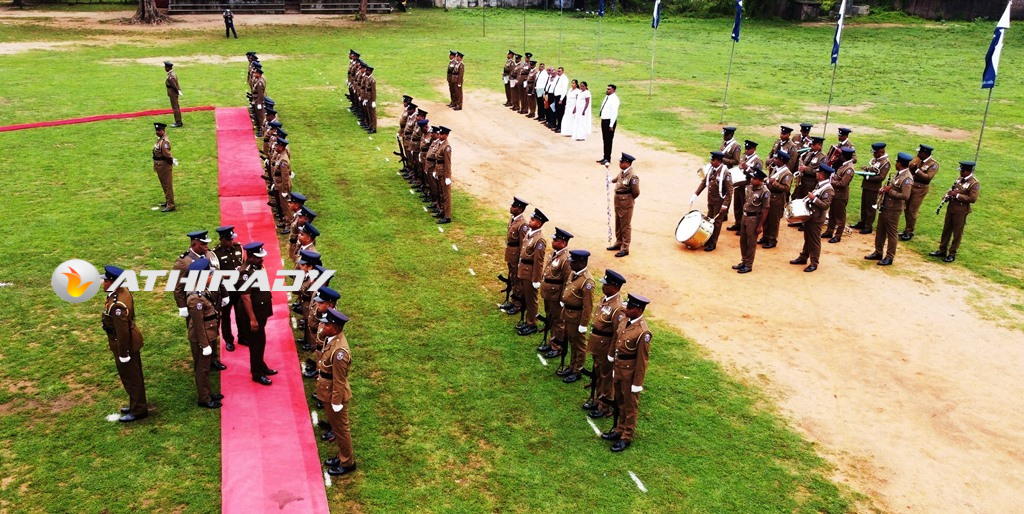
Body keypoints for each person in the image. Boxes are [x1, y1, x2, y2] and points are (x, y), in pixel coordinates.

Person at [600, 293, 652, 452]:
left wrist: (637, 383)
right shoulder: (624, 320)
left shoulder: (643, 332)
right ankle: (620, 429)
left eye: (630, 307)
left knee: (630, 406)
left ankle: (626, 436)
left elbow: (642, 360)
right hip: (618, 368)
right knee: (619, 401)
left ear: (639, 310)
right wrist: (611, 355)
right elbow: (616, 340)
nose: (626, 308)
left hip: (630, 374)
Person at [101, 265, 148, 422]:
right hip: (130, 339)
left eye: (106, 281)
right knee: (134, 376)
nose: (103, 283)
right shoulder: (123, 292)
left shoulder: (117, 305)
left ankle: (138, 410)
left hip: (125, 344)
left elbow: (122, 332)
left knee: (131, 378)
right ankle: (137, 403)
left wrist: (123, 353)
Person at [317, 308, 357, 477]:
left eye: (326, 324)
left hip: (334, 393)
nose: (323, 326)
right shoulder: (332, 339)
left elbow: (339, 380)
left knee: (341, 430)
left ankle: (347, 462)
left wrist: (336, 402)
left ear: (335, 328)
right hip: (328, 390)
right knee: (337, 427)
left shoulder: (340, 352)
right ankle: (342, 455)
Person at [584, 269, 627, 419]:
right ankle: (598, 399)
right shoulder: (606, 298)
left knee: (606, 376)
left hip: (606, 345)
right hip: (597, 343)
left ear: (614, 287)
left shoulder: (618, 307)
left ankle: (605, 405)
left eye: (606, 284)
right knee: (598, 372)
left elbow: (617, 333)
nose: (603, 286)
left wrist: (611, 353)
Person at [185, 258, 225, 409]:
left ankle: (207, 392)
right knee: (202, 369)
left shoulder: (201, 288)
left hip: (208, 333)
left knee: (206, 367)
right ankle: (204, 398)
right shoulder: (195, 298)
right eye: (209, 274)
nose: (212, 276)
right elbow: (198, 323)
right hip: (202, 337)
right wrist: (204, 344)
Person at [237, 242, 277, 385]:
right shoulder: (246, 273)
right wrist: (252, 320)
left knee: (260, 342)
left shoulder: (256, 267)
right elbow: (245, 297)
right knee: (256, 345)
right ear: (250, 257)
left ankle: (261, 365)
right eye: (258, 257)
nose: (262, 259)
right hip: (252, 314)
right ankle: (257, 373)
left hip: (260, 311)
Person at [865, 152, 913, 266]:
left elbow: (905, 196)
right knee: (880, 230)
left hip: (894, 209)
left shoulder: (907, 178)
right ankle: (878, 252)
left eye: (897, 162)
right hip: (885, 206)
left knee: (891, 233)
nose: (895, 163)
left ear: (900, 164)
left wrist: (889, 191)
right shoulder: (899, 174)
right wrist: (884, 189)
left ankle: (889, 257)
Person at [929, 161, 980, 263]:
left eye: (962, 171)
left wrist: (957, 195)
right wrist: (947, 196)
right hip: (951, 208)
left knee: (957, 233)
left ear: (968, 171)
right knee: (946, 230)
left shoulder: (974, 183)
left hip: (961, 211)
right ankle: (942, 249)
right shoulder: (959, 179)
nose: (960, 173)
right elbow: (952, 189)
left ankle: (952, 253)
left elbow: (972, 199)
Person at [790, 164, 835, 272]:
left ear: (822, 175)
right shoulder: (820, 185)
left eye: (818, 172)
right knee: (808, 238)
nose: (816, 174)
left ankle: (814, 263)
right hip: (811, 216)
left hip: (817, 218)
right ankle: (803, 257)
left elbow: (825, 205)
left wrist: (814, 198)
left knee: (814, 241)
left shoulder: (828, 189)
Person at [559, 250, 595, 383]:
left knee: (579, 345)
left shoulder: (587, 281)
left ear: (582, 262)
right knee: (572, 342)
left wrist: (583, 324)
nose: (570, 263)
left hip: (577, 317)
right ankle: (572, 366)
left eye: (573, 262)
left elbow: (588, 306)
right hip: (568, 314)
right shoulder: (574, 273)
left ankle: (577, 370)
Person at [539, 228, 573, 358]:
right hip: (548, 293)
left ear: (563, 243)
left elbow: (567, 281)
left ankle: (557, 346)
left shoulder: (566, 259)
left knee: (558, 321)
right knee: (550, 317)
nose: (553, 242)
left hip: (556, 295)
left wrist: (563, 298)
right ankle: (552, 341)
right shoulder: (554, 253)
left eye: (556, 240)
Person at [691, 151, 733, 252]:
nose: (711, 161)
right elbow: (704, 182)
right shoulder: (712, 169)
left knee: (717, 223)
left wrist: (725, 205)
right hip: (711, 200)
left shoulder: (725, 173)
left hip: (719, 202)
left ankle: (713, 243)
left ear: (719, 161)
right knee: (709, 220)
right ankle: (708, 239)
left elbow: (730, 191)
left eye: (713, 160)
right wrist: (695, 194)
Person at [516, 209, 548, 336]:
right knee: (526, 297)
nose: (530, 220)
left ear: (539, 223)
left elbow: (538, 262)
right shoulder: (530, 233)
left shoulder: (539, 240)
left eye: (533, 220)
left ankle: (532, 324)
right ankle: (528, 320)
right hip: (524, 270)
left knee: (531, 299)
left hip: (530, 273)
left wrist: (536, 279)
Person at [213, 225, 244, 352]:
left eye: (232, 239)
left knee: (241, 314)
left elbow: (243, 264)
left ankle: (242, 336)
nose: (232, 241)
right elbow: (215, 274)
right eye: (229, 239)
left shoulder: (238, 248)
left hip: (239, 288)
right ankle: (228, 340)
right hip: (226, 290)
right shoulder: (215, 254)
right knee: (225, 317)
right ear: (222, 239)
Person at [900, 144, 940, 241]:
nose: (917, 153)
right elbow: (909, 167)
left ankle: (909, 231)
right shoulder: (918, 159)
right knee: (906, 208)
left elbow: (928, 178)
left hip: (920, 189)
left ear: (925, 153)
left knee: (912, 210)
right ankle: (906, 229)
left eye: (920, 152)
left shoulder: (933, 164)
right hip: (911, 186)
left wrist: (917, 170)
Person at [734, 167, 770, 274]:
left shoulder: (764, 192)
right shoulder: (749, 187)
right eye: (752, 178)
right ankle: (744, 261)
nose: (752, 180)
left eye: (754, 178)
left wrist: (760, 225)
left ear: (760, 180)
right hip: (745, 217)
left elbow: (765, 209)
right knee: (743, 241)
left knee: (751, 243)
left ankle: (748, 265)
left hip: (754, 219)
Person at [851, 142, 891, 234]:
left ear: (881, 151)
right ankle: (863, 222)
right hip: (866, 185)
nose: (873, 154)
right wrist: (866, 169)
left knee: (870, 207)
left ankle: (868, 226)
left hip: (873, 188)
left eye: (875, 152)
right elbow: (872, 169)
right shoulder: (875, 160)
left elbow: (881, 177)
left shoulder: (885, 163)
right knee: (864, 205)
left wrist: (867, 176)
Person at [606, 153, 640, 257]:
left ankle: (625, 248)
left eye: (622, 162)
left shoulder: (633, 176)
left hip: (626, 202)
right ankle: (619, 242)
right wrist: (610, 180)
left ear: (627, 163)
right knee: (618, 223)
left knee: (625, 225)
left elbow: (636, 192)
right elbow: (617, 179)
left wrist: (628, 199)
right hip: (618, 200)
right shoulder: (622, 172)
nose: (620, 163)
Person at [500, 197, 529, 316]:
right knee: (512, 277)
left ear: (520, 209)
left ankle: (517, 304)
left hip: (516, 256)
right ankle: (513, 300)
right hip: (511, 254)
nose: (511, 207)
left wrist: (521, 260)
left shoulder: (522, 225)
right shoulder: (513, 219)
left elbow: (523, 244)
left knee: (517, 281)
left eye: (514, 206)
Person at [822, 147, 856, 243]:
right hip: (835, 193)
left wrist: (831, 181)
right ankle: (829, 231)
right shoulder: (844, 165)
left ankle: (838, 236)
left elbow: (843, 184)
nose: (838, 156)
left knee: (840, 217)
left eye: (840, 155)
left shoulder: (849, 169)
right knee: (832, 213)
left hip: (841, 195)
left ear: (843, 156)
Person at [728, 139, 761, 232]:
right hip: (739, 184)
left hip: (748, 185)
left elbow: (757, 175)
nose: (746, 150)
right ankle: (738, 223)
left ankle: (743, 227)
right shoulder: (743, 157)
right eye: (746, 148)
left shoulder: (757, 161)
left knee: (744, 206)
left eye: (749, 149)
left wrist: (747, 169)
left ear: (754, 149)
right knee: (737, 205)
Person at [762, 151, 793, 249]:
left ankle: (772, 240)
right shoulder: (775, 168)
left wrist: (774, 183)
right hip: (769, 196)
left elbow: (786, 188)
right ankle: (765, 236)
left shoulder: (787, 173)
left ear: (781, 161)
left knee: (773, 220)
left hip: (777, 199)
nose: (774, 160)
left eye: (776, 159)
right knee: (766, 218)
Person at [152, 122, 176, 212]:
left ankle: (171, 205)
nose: (157, 132)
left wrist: (171, 161)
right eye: (156, 130)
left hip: (164, 165)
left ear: (163, 130)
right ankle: (168, 201)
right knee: (164, 184)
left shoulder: (164, 141)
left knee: (167, 185)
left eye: (159, 130)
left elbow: (167, 154)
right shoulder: (160, 139)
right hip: (160, 164)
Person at [434, 126, 453, 224]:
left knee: (446, 195)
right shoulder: (440, 143)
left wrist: (448, 177)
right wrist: (435, 170)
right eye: (439, 134)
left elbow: (447, 163)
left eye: (442, 134)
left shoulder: (447, 147)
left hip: (444, 173)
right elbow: (437, 160)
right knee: (441, 192)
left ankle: (447, 216)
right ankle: (442, 210)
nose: (440, 135)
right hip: (439, 171)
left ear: (446, 135)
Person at [597, 84, 620, 165]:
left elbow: (614, 113)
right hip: (604, 120)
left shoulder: (614, 99)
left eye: (609, 89)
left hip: (609, 121)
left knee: (608, 140)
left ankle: (608, 159)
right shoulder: (607, 97)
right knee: (605, 140)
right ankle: (605, 157)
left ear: (613, 90)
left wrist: (611, 125)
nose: (607, 90)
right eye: (607, 89)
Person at [164, 61, 183, 128]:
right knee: (176, 107)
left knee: (175, 108)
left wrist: (177, 91)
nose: (165, 68)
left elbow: (174, 86)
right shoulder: (173, 74)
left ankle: (178, 122)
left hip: (173, 93)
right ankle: (179, 121)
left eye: (165, 67)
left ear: (168, 67)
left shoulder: (171, 76)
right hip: (174, 93)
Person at [551, 67, 569, 132]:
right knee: (557, 112)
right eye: (558, 71)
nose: (558, 72)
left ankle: (561, 127)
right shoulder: (557, 78)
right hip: (556, 96)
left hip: (561, 97)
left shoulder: (564, 78)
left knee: (561, 113)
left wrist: (561, 99)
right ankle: (558, 126)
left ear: (563, 71)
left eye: (559, 71)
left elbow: (564, 89)